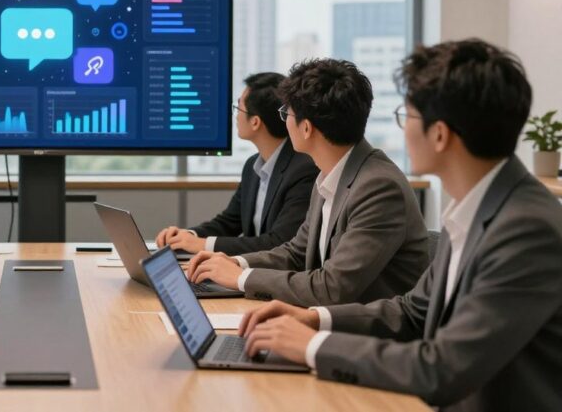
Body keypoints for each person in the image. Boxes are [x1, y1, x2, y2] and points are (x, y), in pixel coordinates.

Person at [238, 39, 562, 411]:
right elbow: (411, 312)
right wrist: (313, 319)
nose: (401, 130)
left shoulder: (525, 229)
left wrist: (312, 346)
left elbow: (442, 369)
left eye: (406, 116)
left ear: (440, 134)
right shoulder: (481, 207)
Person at [188, 59, 428, 306]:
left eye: (286, 113)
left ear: (306, 128)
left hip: (368, 336)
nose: (284, 121)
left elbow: (332, 288)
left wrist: (242, 278)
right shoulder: (329, 174)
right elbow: (296, 252)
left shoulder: (378, 187)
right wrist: (236, 263)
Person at [156, 72, 318, 254]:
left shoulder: (304, 170)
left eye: (238, 108)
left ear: (255, 122)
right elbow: (229, 222)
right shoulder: (253, 166)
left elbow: (279, 243)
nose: (235, 116)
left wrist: (202, 245)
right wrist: (187, 236)